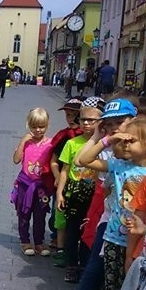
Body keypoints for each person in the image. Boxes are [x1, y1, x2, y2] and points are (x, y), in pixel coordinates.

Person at [74, 113, 146, 290]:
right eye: (123, 140)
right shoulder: (118, 165)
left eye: (131, 140)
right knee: (113, 284)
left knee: (139, 287)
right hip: (114, 237)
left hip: (144, 241)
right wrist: (107, 139)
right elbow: (83, 160)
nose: (125, 144)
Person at [69, 98, 138, 290]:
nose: (116, 127)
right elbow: (81, 160)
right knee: (97, 264)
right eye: (110, 123)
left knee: (129, 271)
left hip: (138, 227)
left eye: (121, 122)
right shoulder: (113, 153)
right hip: (110, 221)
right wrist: (101, 137)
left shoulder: (143, 152)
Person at [56, 97, 105, 283]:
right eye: (83, 119)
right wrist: (60, 193)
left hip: (94, 196)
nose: (86, 123)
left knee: (88, 232)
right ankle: (71, 265)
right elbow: (65, 171)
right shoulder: (72, 143)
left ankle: (85, 265)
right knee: (72, 231)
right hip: (74, 194)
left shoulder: (103, 146)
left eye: (91, 120)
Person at [11, 108, 53, 255]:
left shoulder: (51, 144)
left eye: (41, 126)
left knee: (40, 215)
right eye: (34, 126)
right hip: (25, 184)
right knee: (23, 214)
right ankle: (25, 241)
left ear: (47, 125)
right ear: (29, 125)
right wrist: (23, 141)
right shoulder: (26, 143)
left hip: (42, 187)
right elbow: (16, 160)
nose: (37, 130)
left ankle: (39, 242)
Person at [49, 98, 83, 267]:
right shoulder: (64, 137)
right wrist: (57, 177)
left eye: (75, 115)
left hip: (82, 186)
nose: (70, 119)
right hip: (63, 182)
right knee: (58, 218)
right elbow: (54, 161)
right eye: (68, 115)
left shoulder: (88, 138)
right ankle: (60, 244)